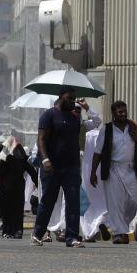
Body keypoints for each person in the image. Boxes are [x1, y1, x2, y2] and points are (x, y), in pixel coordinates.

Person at [33, 86, 86, 247]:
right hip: (52, 167)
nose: (73, 101)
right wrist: (45, 160)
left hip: (71, 167)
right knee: (48, 201)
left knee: (73, 202)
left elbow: (76, 142)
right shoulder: (49, 115)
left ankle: (72, 237)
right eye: (70, 98)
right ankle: (37, 234)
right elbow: (41, 139)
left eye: (74, 98)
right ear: (61, 97)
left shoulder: (74, 117)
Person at [89, 100, 137, 244]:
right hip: (113, 169)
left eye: (125, 111)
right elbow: (98, 152)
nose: (123, 114)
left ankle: (109, 226)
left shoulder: (132, 126)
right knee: (116, 203)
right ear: (113, 113)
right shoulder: (107, 129)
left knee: (135, 201)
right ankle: (119, 234)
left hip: (131, 169)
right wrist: (93, 172)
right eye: (120, 112)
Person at [0, 137, 38, 238]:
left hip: (6, 187)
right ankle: (17, 231)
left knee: (7, 210)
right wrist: (38, 185)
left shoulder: (4, 157)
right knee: (17, 210)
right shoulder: (22, 158)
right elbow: (32, 172)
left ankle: (7, 231)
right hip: (19, 187)